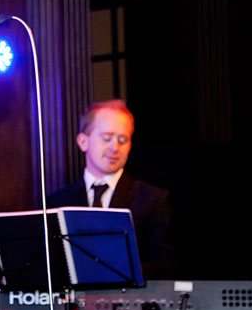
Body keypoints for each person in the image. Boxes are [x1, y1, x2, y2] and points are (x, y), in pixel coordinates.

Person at [46, 99, 176, 277]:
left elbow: (167, 266)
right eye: (106, 138)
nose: (115, 148)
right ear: (83, 141)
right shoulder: (57, 202)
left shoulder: (153, 200)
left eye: (123, 140)